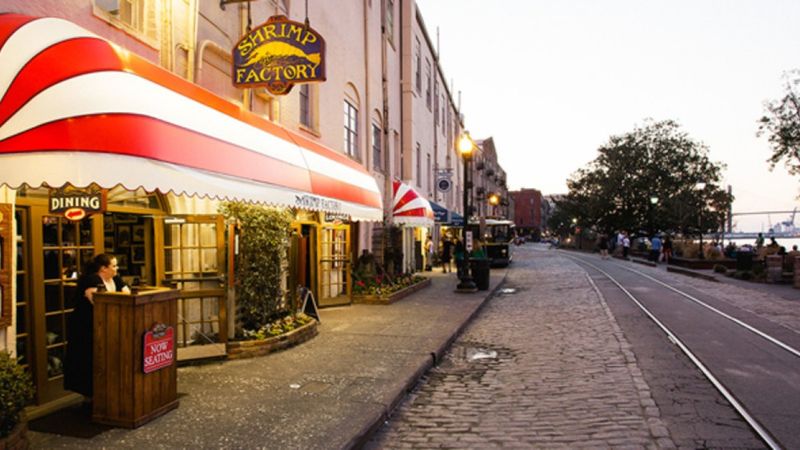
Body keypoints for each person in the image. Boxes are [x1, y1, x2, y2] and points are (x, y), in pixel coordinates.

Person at [64, 253, 130, 400]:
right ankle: (89, 394)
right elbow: (100, 302)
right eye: (113, 265)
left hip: (104, 324)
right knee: (88, 358)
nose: (117, 268)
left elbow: (127, 291)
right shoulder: (91, 280)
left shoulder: (115, 279)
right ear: (103, 268)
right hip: (86, 326)